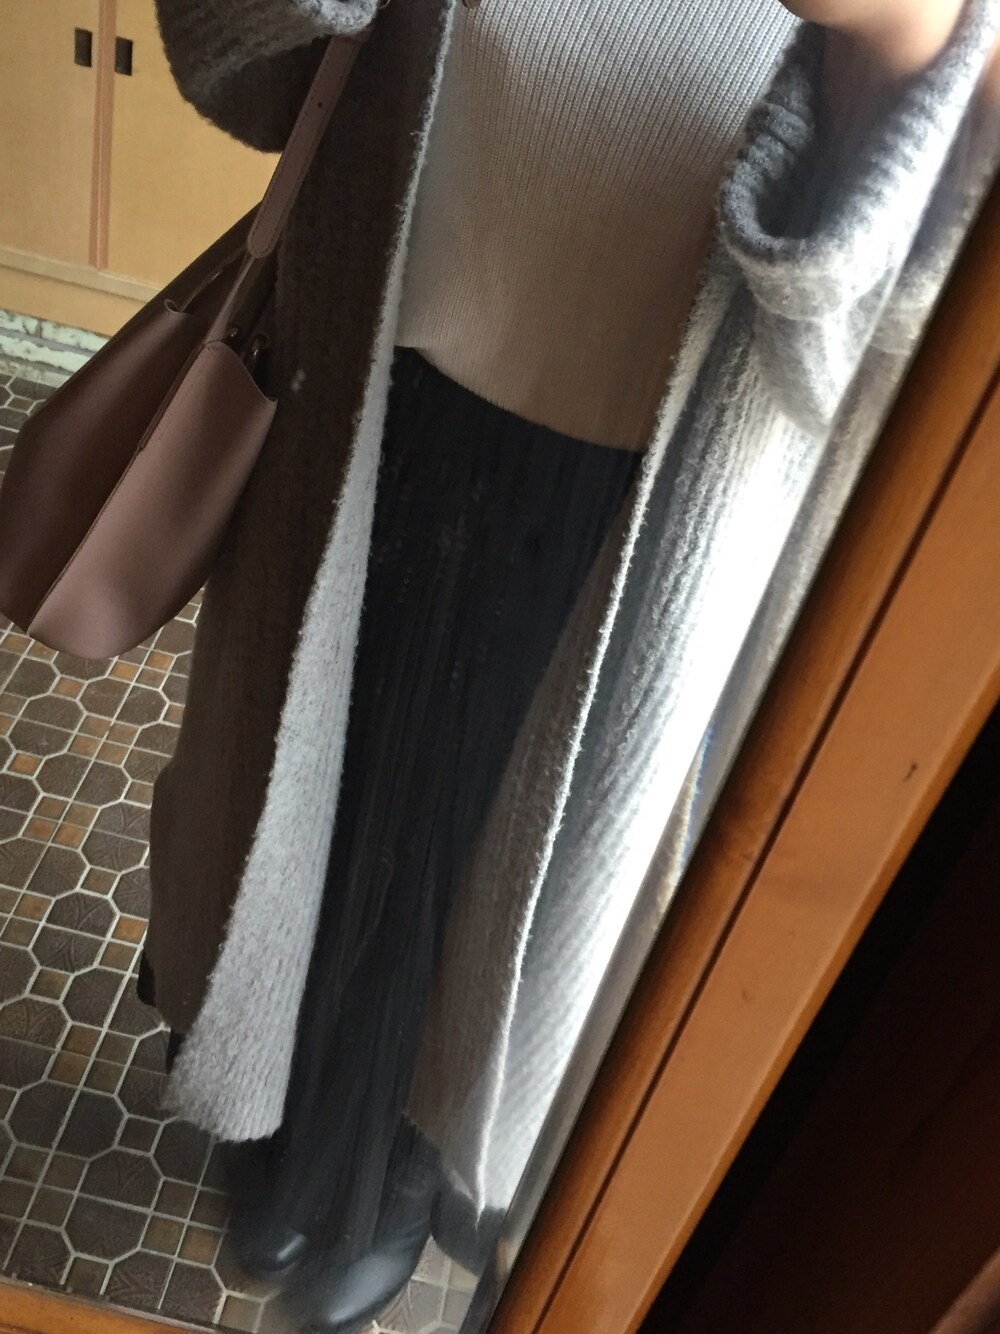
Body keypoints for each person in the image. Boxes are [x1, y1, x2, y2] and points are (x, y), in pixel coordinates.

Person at [141, 0, 1000, 1329]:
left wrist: (896, 51)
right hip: (363, 404)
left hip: (640, 529)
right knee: (301, 810)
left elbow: (869, 381)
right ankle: (274, 1121)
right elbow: (236, 76)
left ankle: (397, 1178)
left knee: (502, 897)